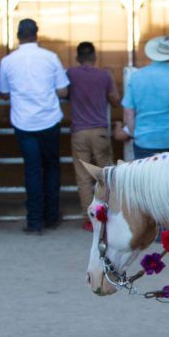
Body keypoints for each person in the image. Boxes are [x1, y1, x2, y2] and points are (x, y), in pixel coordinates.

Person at [0, 18, 69, 234]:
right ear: (36, 34)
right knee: (52, 168)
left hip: (23, 122)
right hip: (49, 120)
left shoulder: (8, 61)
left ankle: (34, 221)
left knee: (32, 171)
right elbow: (63, 91)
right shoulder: (51, 58)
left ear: (18, 35)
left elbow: (3, 93)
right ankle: (52, 216)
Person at [115, 34, 169, 160]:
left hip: (144, 142)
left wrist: (135, 134)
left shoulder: (136, 77)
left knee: (145, 179)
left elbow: (128, 112)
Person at [67, 41, 120, 232]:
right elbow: (115, 100)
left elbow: (64, 92)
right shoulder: (103, 75)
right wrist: (111, 78)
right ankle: (109, 215)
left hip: (79, 132)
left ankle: (89, 219)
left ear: (78, 58)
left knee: (83, 178)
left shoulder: (71, 74)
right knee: (106, 176)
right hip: (100, 132)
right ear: (95, 57)